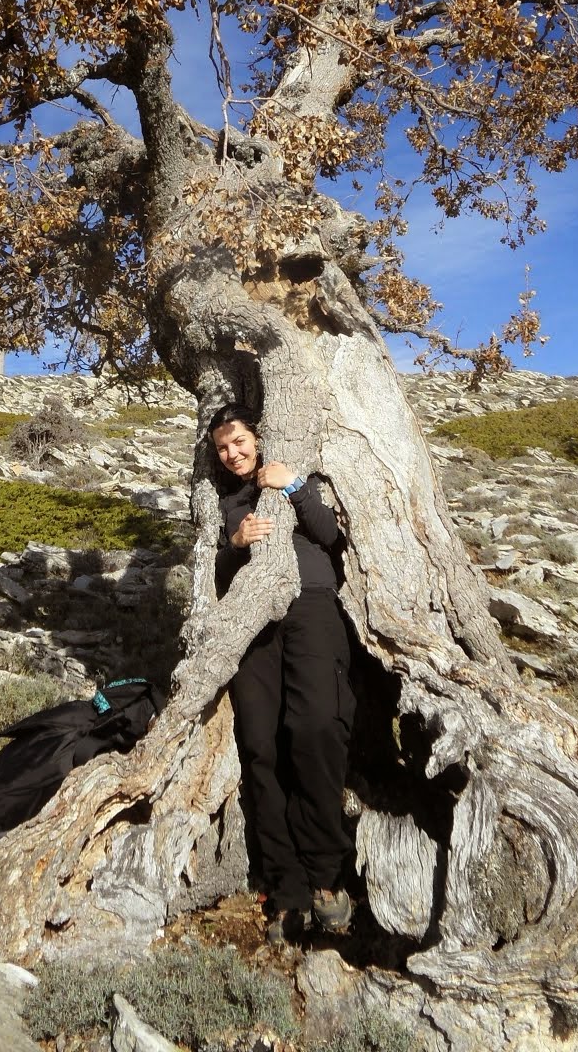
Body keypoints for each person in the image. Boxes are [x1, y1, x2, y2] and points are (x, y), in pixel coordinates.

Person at [209, 404, 355, 944]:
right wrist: (234, 545)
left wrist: (292, 485)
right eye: (224, 447)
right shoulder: (221, 504)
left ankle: (325, 873)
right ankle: (286, 885)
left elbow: (331, 538)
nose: (234, 453)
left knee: (316, 725)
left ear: (258, 438)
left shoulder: (295, 479)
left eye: (240, 441)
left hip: (310, 604)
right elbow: (216, 578)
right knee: (261, 745)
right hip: (252, 621)